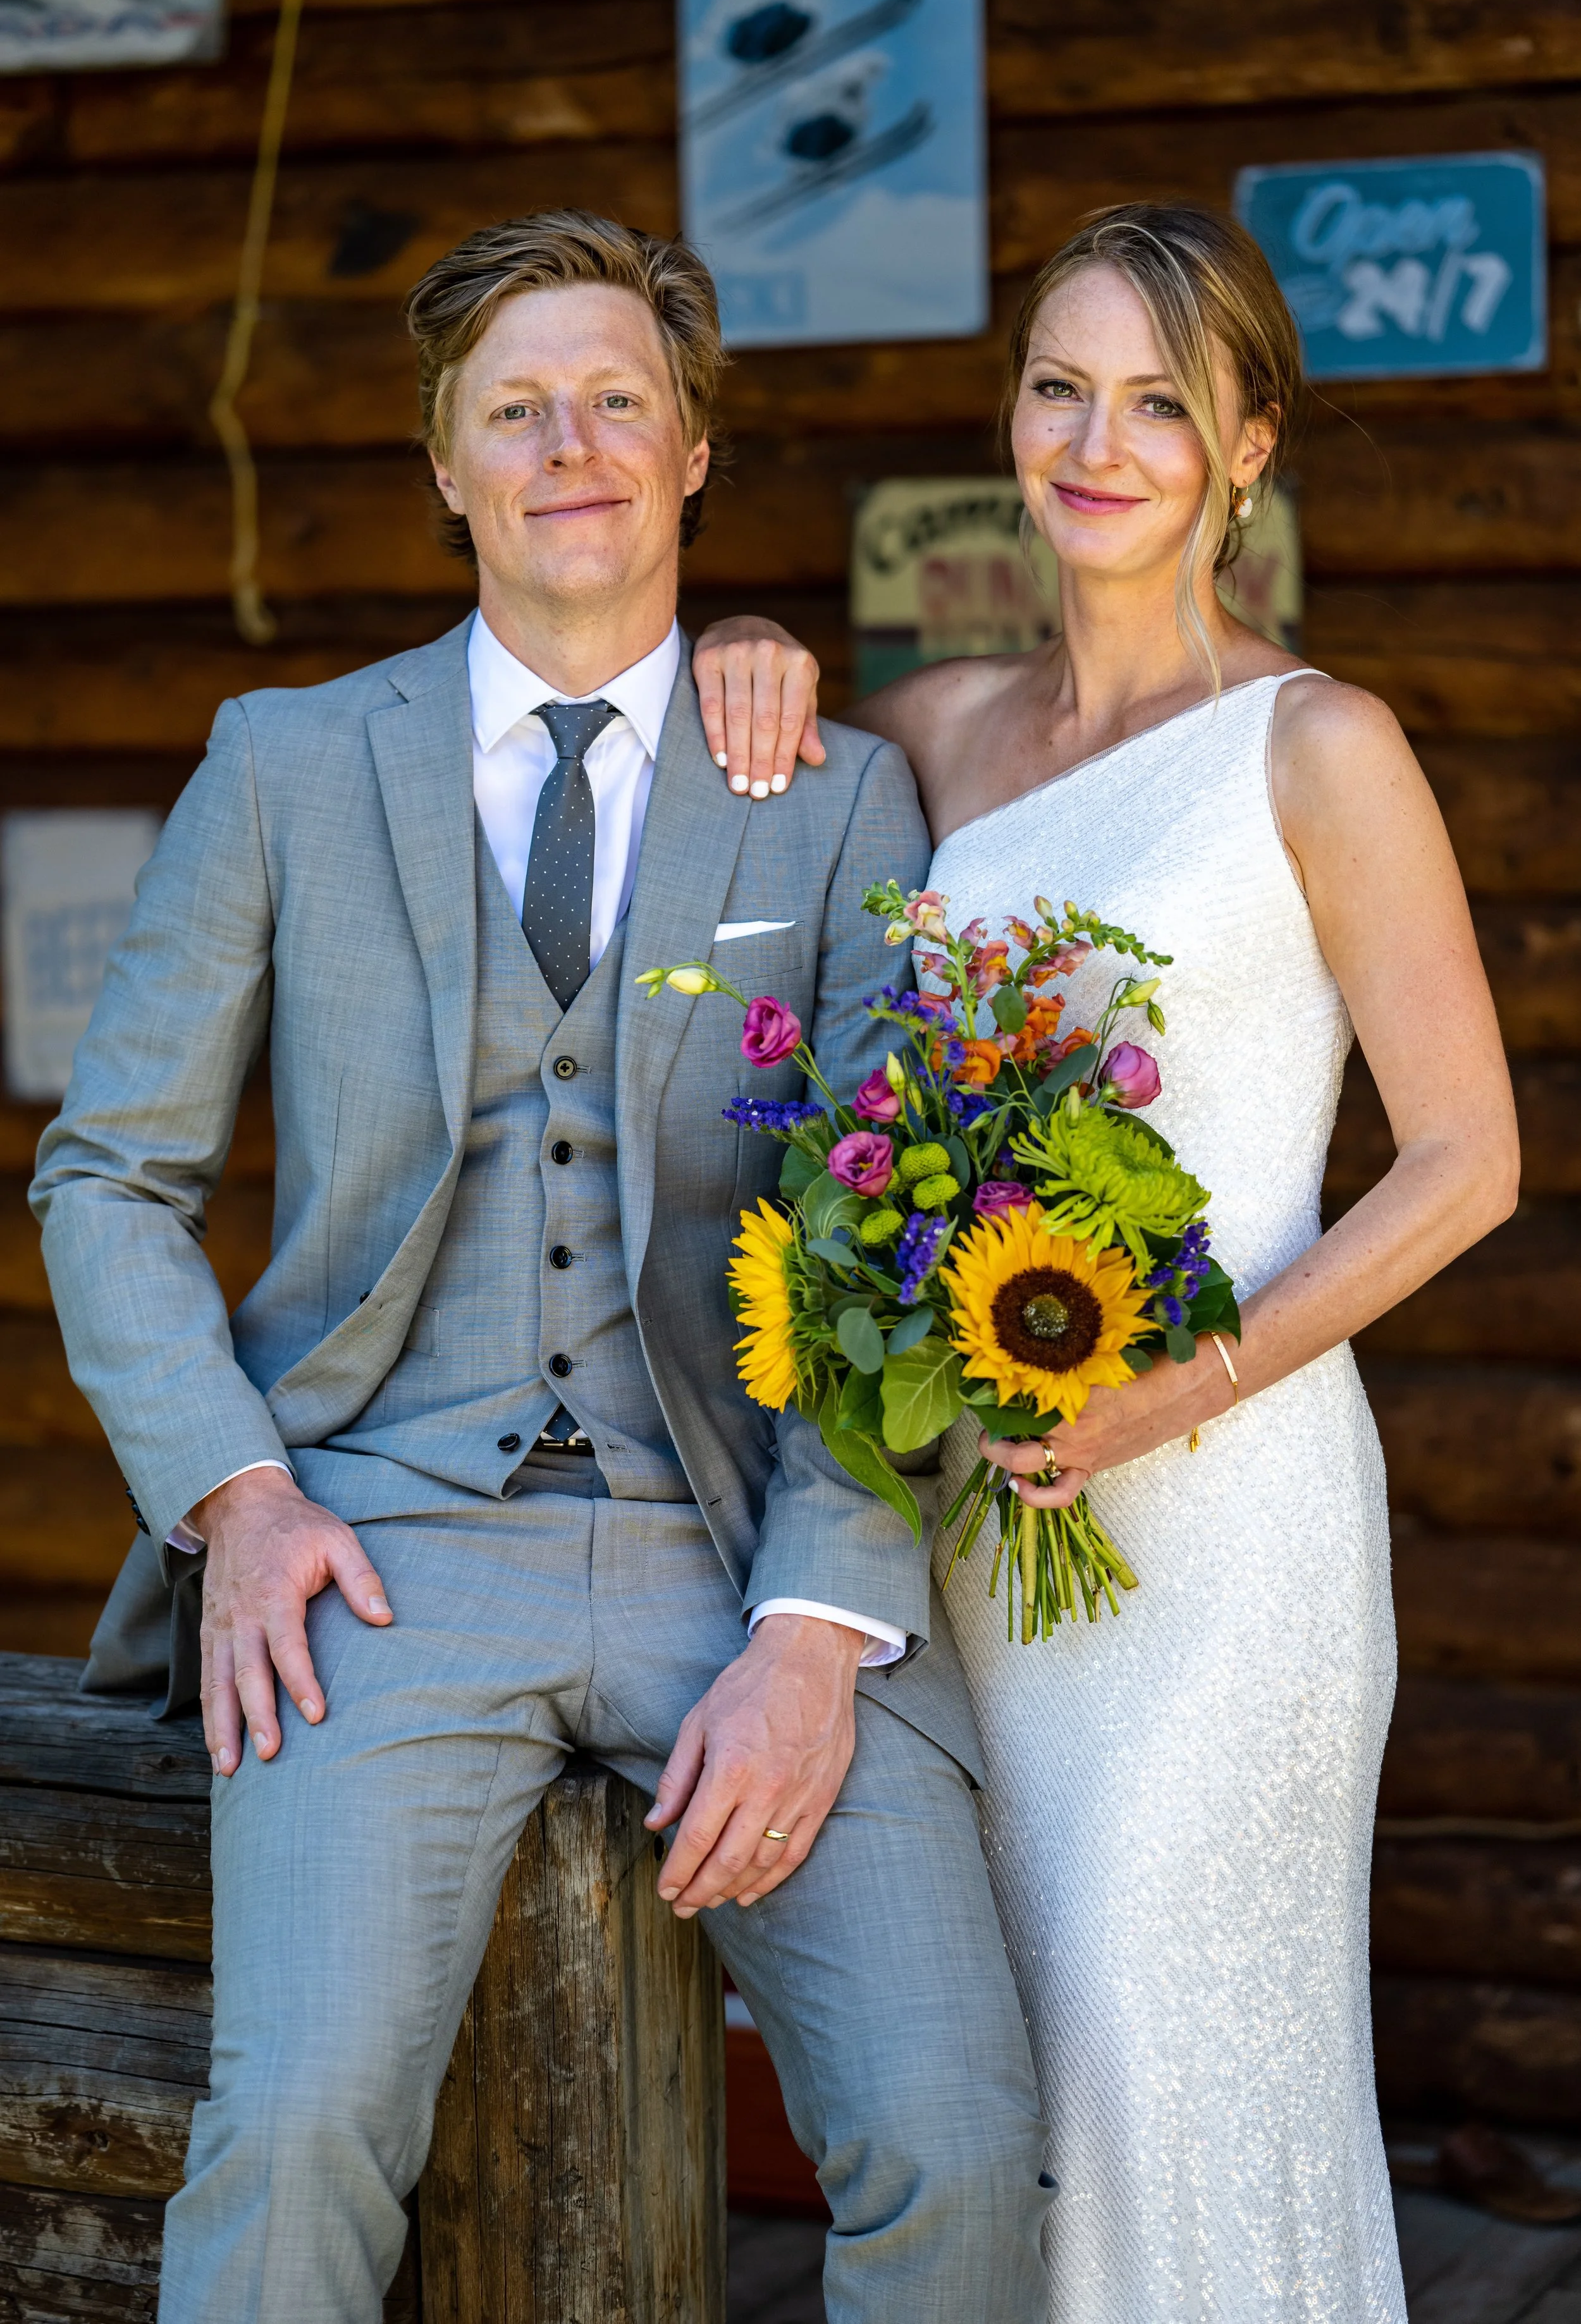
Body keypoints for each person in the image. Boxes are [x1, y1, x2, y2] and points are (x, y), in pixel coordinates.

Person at [32, 210, 1051, 2324]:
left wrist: (818, 1619)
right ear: (444, 464)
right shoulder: (284, 763)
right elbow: (109, 1173)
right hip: (377, 1555)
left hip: (741, 1546)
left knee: (957, 2139)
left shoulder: (836, 798)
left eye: (614, 400)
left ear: (692, 452)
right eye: (514, 409)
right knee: (297, 2131)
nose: (568, 444)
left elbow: (896, 1230)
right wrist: (241, 1496)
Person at [691, 201, 1518, 2321]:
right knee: (1027, 2099)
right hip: (985, 1538)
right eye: (1059, 388)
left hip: (1229, 1537)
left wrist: (1175, 1386)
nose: (1096, 441)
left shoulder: (1318, 744)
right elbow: (748, 801)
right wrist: (745, 648)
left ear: (1248, 449)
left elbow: (1466, 1162)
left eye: (1159, 402)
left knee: (1168, 2075)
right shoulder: (941, 727)